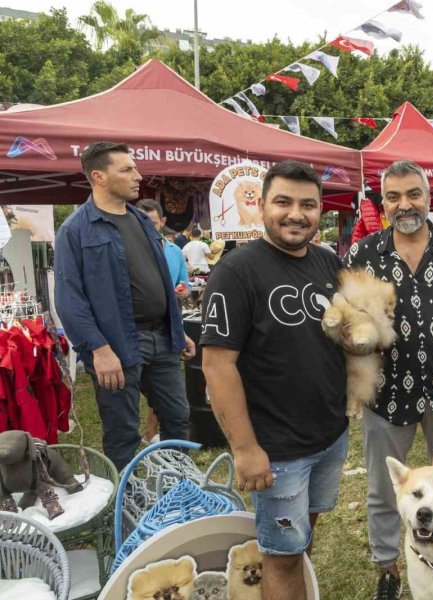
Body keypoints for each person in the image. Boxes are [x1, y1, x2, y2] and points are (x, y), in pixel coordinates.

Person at [200, 161, 348, 600]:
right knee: (281, 556)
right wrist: (245, 449)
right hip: (277, 449)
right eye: (283, 202)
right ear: (261, 206)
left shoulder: (327, 262)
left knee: (300, 540)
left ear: (321, 211)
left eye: (308, 205)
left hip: (330, 435)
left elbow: (340, 335)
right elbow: (217, 366)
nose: (295, 214)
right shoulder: (236, 272)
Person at [345, 160, 433, 600]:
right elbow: (348, 321)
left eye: (413, 194)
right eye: (394, 197)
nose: (405, 205)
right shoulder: (364, 254)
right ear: (383, 204)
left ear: (428, 197)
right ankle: (388, 569)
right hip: (387, 392)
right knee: (385, 491)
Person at [54, 142, 194, 471]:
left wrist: (178, 330)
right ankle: (126, 510)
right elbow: (69, 298)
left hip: (162, 338)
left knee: (178, 419)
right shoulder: (75, 231)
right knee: (122, 433)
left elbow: (160, 278)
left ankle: (180, 490)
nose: (138, 176)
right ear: (99, 176)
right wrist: (98, 349)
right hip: (115, 345)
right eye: (127, 169)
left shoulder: (141, 221)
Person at [136, 199, 192, 445]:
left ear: (163, 222)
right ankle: (149, 434)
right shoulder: (128, 251)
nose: (148, 227)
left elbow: (186, 285)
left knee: (171, 402)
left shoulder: (174, 252)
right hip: (136, 333)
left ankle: (155, 435)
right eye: (142, 222)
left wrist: (183, 291)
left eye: (154, 223)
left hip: (168, 327)